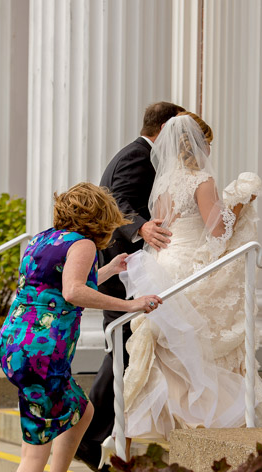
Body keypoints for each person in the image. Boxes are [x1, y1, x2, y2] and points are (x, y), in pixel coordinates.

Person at [119, 112, 262, 440]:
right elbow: (217, 230)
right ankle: (202, 416)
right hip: (188, 264)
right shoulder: (200, 180)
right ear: (200, 143)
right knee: (198, 339)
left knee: (172, 341)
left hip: (164, 262)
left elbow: (165, 224)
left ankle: (168, 422)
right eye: (208, 142)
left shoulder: (163, 181)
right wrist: (240, 204)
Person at [0, 182, 164, 472]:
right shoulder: (83, 244)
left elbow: (60, 286)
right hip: (43, 352)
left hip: (15, 345)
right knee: (35, 455)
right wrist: (132, 305)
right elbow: (73, 292)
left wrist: (111, 268)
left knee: (82, 411)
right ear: (99, 217)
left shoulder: (44, 239)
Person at [76, 102, 184, 470]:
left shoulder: (139, 154)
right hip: (124, 268)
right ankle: (89, 437)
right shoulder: (139, 157)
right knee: (122, 349)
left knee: (124, 350)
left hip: (125, 266)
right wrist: (141, 227)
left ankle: (95, 439)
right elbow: (117, 200)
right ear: (166, 127)